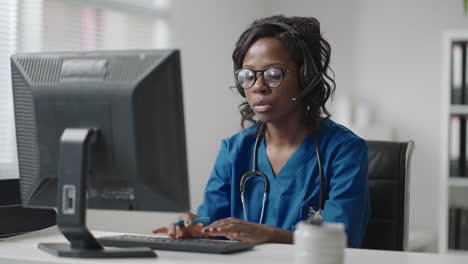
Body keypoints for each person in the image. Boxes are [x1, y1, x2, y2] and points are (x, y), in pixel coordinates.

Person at [153, 15, 370, 248]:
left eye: (274, 74)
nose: (258, 86)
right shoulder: (234, 150)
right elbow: (213, 220)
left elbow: (343, 239)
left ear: (305, 77)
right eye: (248, 75)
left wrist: (269, 235)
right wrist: (195, 226)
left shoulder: (344, 150)